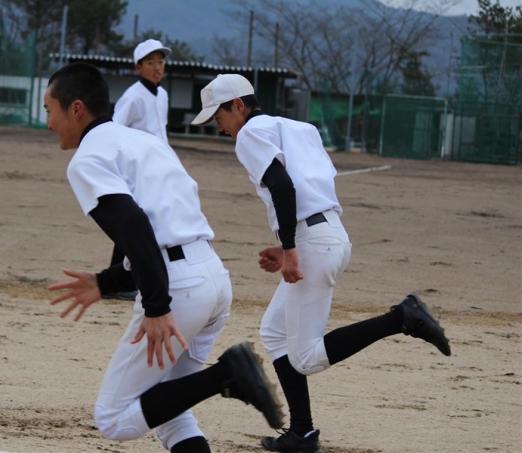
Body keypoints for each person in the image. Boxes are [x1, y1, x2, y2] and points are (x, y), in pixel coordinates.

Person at [190, 74, 451, 453]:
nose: (220, 126)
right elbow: (308, 189)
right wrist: (289, 244)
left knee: (307, 358)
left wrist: (291, 249)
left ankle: (402, 318)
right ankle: (302, 433)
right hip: (328, 234)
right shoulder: (297, 128)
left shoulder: (249, 134)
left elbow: (283, 187)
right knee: (274, 333)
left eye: (219, 116)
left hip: (314, 243)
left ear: (239, 105)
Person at [43, 62, 283, 452]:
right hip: (212, 278)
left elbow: (136, 227)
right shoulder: (144, 142)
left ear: (76, 109)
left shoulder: (87, 159)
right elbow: (162, 224)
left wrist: (157, 306)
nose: (48, 123)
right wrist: (106, 282)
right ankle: (227, 373)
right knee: (171, 410)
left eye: (49, 110)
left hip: (178, 290)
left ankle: (227, 374)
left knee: (113, 418)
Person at [103, 38, 172, 301]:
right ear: (138, 67)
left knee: (148, 221)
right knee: (133, 221)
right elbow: (114, 130)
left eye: (161, 61)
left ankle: (131, 279)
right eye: (150, 62)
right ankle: (119, 281)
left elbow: (160, 133)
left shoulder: (162, 94)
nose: (157, 67)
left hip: (157, 167)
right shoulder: (133, 96)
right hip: (135, 170)